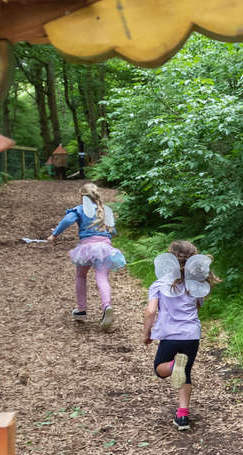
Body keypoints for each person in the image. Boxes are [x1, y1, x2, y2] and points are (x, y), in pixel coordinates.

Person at [145, 240, 215, 431]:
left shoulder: (159, 284)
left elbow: (151, 311)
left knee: (160, 369)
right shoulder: (196, 285)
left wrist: (147, 333)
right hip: (192, 335)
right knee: (186, 373)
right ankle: (182, 415)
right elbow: (197, 307)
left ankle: (175, 365)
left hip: (169, 334)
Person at [44, 183, 125, 328]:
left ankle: (81, 310)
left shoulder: (80, 209)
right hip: (105, 248)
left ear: (82, 196)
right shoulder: (105, 211)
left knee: (81, 275)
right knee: (102, 277)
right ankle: (107, 306)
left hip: (87, 248)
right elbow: (113, 232)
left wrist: (54, 235)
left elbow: (68, 220)